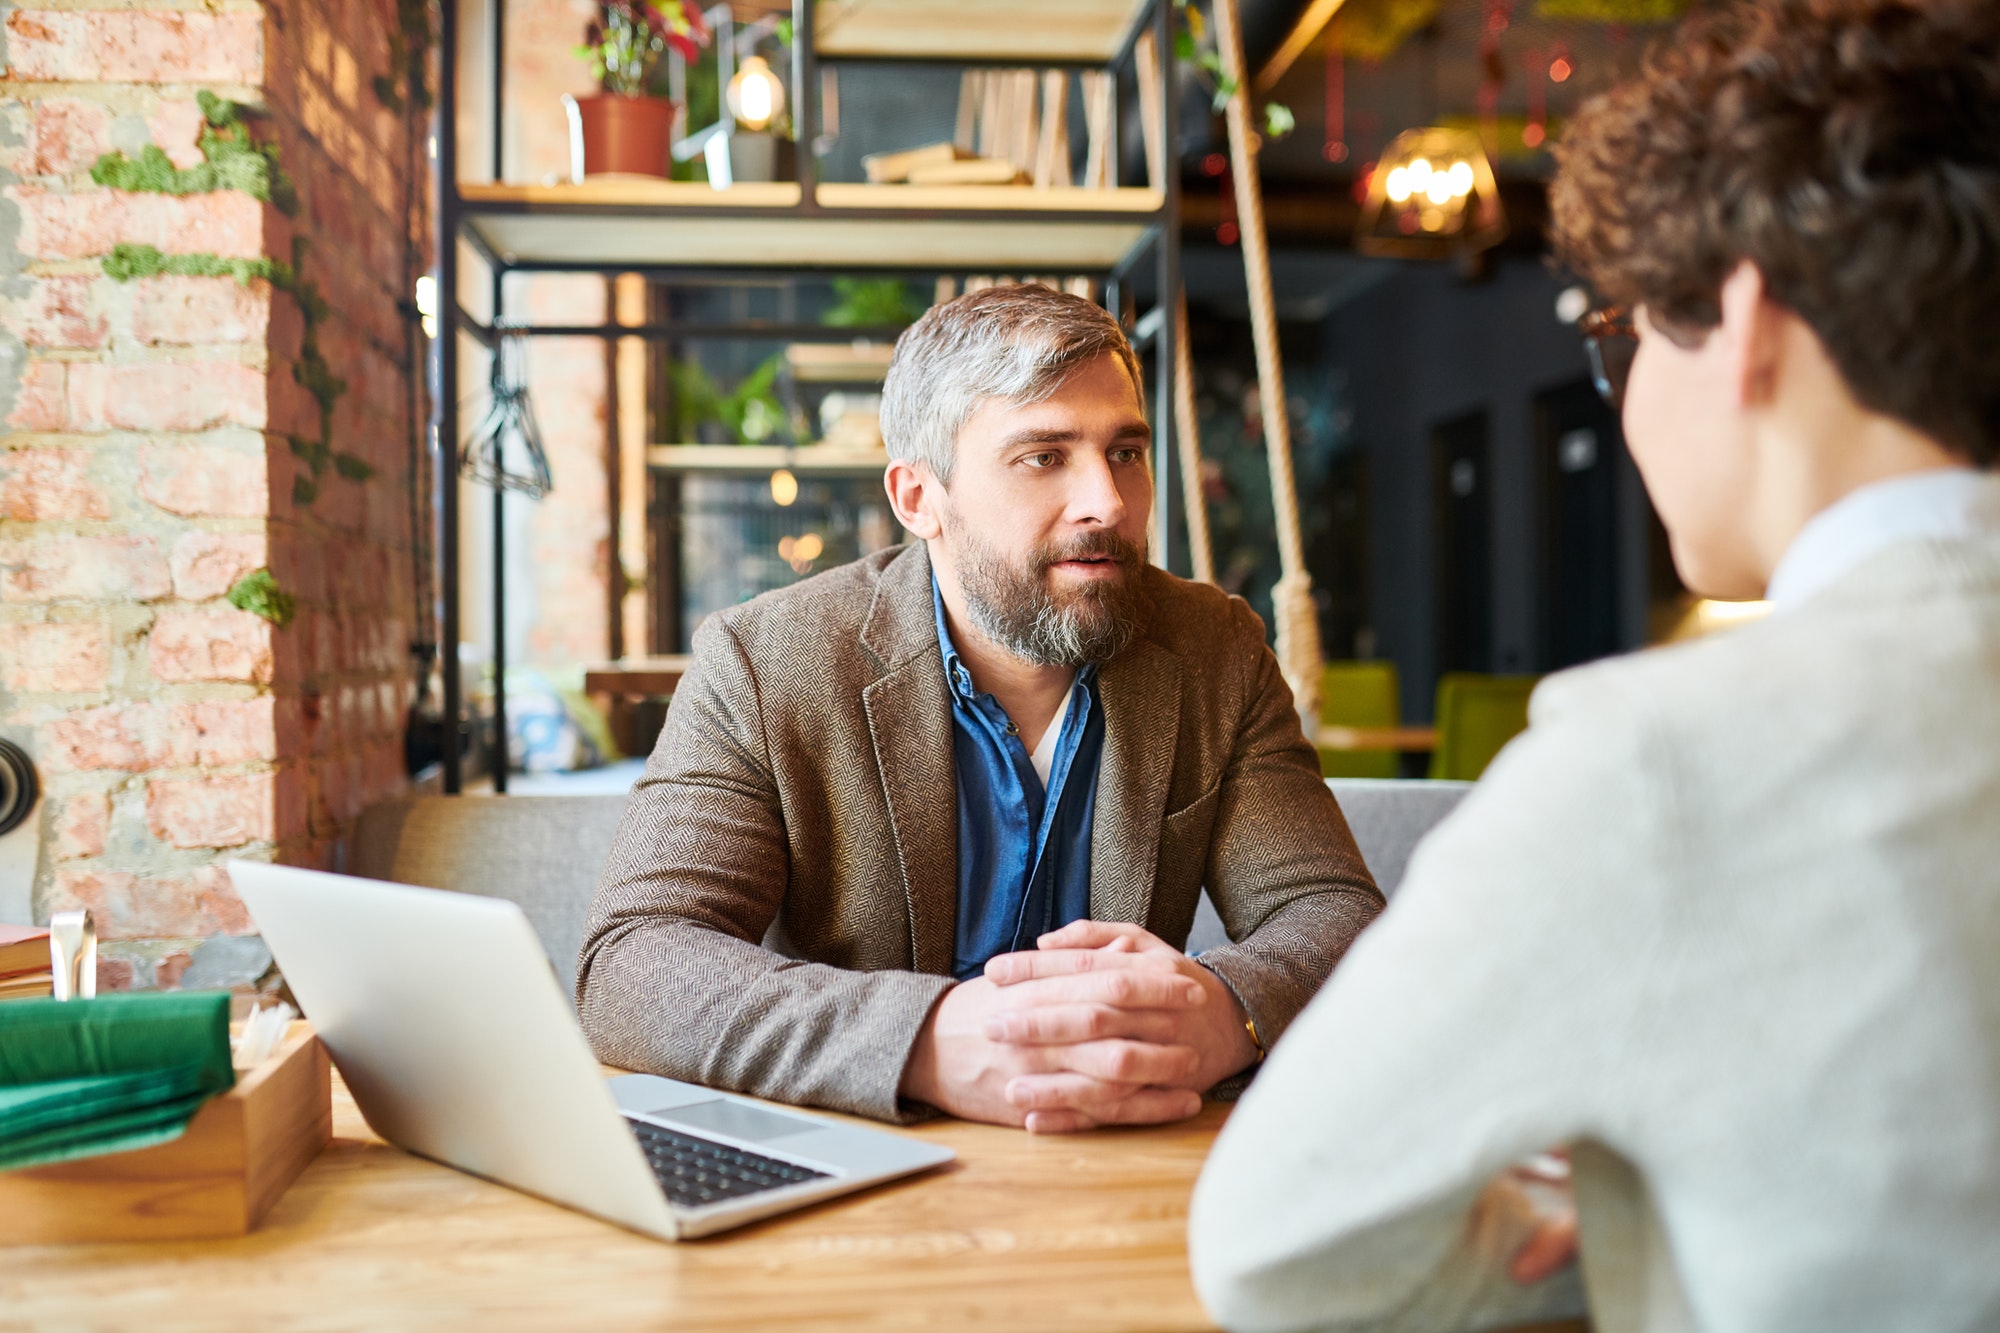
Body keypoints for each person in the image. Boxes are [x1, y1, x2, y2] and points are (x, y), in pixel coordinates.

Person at [1190, 0, 2000, 1329]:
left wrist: (1597, 1229)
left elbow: (1282, 1246)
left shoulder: (1664, 756)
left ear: (1743, 320)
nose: (1619, 393)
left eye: (1620, 335)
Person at [576, 284, 1382, 1131]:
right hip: (864, 1174)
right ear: (918, 496)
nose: (1106, 502)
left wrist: (1229, 1009)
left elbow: (1335, 914)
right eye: (1043, 456)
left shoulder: (1214, 648)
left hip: (1128, 1168)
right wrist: (927, 1040)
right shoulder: (764, 662)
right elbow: (633, 961)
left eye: (1126, 452)